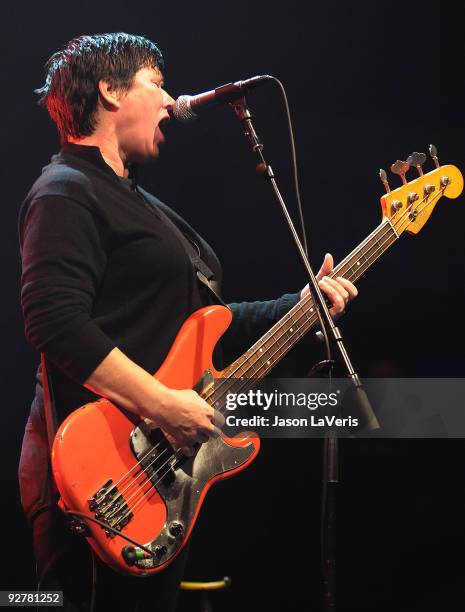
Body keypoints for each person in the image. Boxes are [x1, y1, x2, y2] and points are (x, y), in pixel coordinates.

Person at [18, 32, 358, 611]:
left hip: (150, 472)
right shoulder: (66, 190)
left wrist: (300, 306)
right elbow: (53, 320)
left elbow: (202, 323)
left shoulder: (135, 202)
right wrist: (163, 405)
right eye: (157, 83)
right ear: (110, 91)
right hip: (99, 472)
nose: (172, 101)